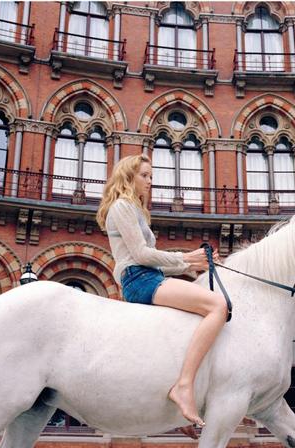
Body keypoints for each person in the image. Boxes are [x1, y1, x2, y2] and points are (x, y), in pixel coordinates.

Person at [96, 154, 228, 430]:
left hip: (147, 276)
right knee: (217, 306)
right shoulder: (122, 206)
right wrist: (186, 257)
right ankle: (184, 385)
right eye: (144, 175)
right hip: (140, 279)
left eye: (151, 177)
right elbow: (141, 255)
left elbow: (150, 261)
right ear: (128, 177)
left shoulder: (134, 210)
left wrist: (191, 264)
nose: (149, 181)